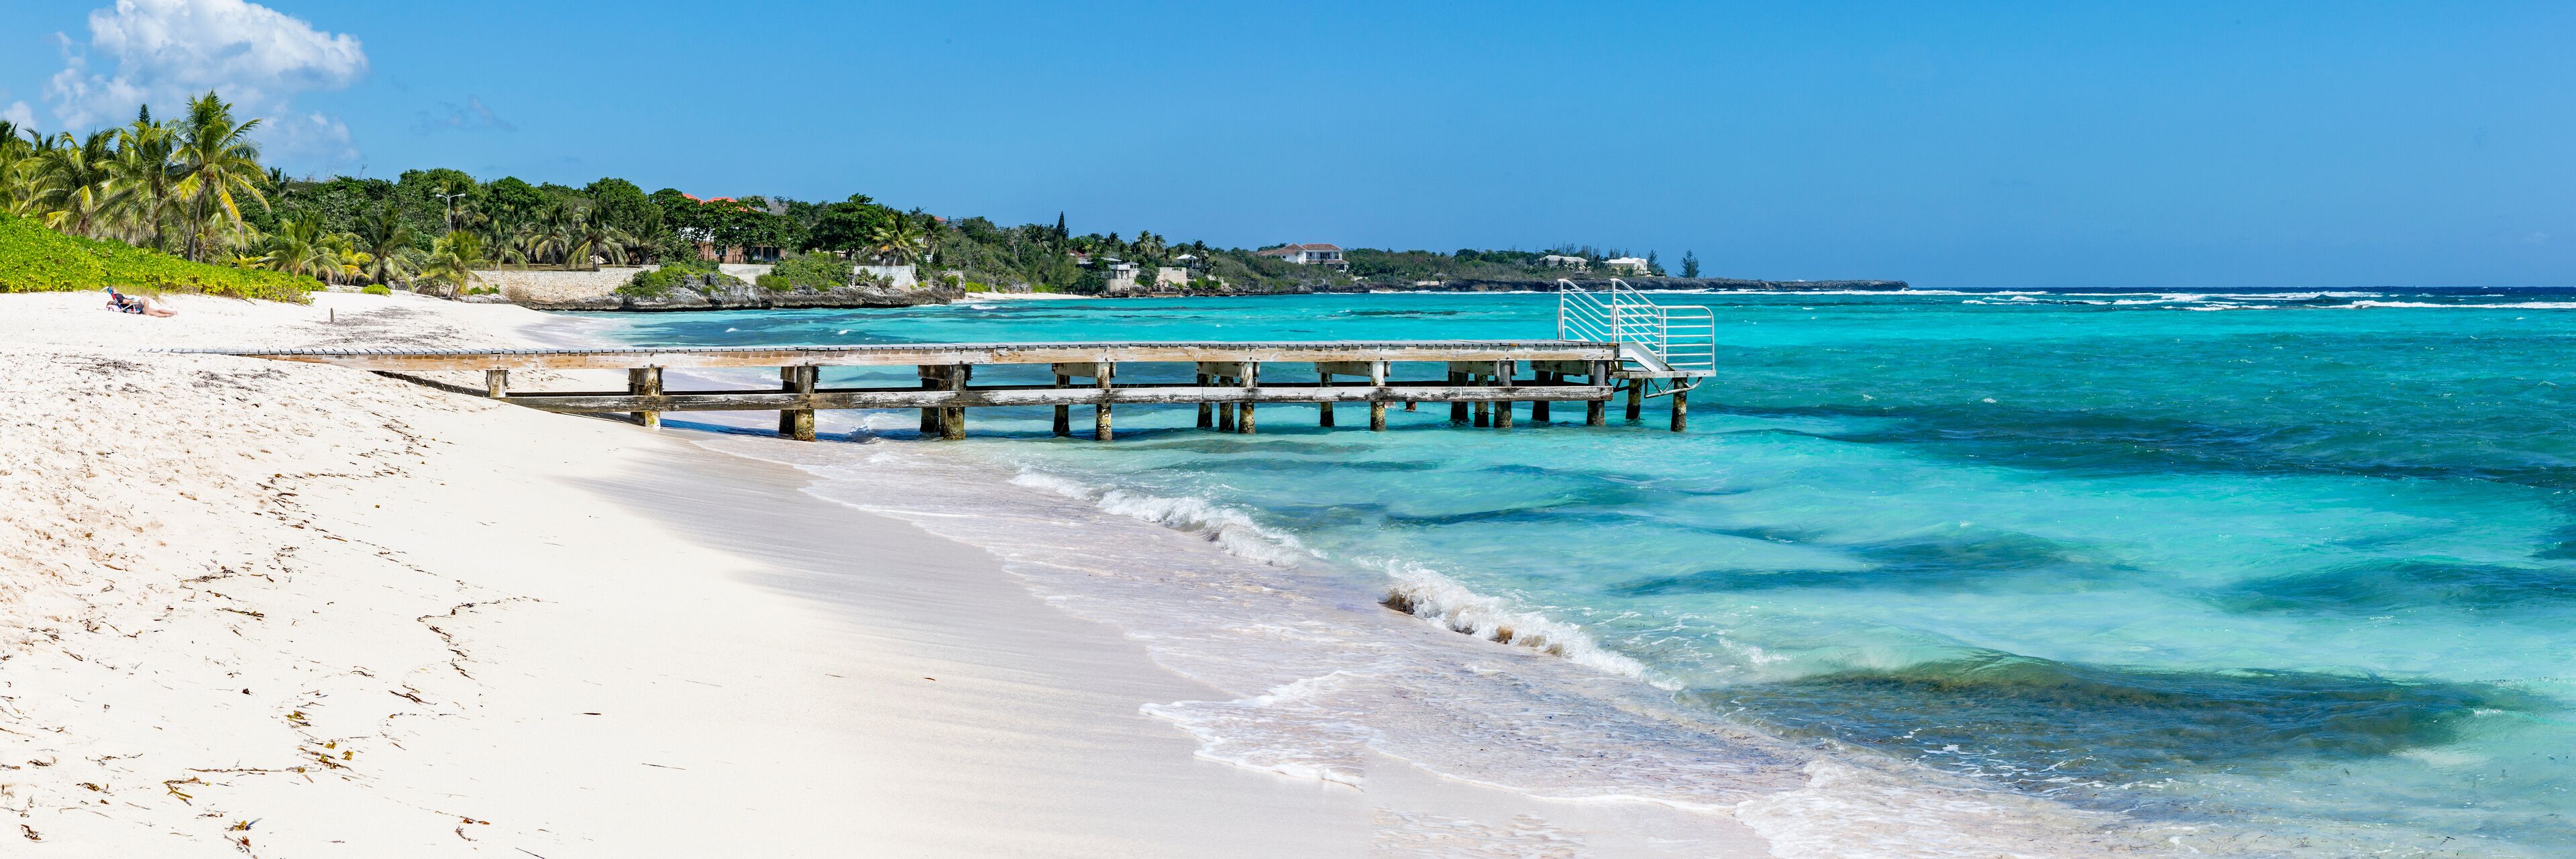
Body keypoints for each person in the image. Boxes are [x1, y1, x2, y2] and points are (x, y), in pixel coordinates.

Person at [103, 287, 177, 317]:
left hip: (133, 306)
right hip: (133, 306)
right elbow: (124, 301)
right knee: (146, 299)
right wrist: (131, 300)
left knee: (155, 311)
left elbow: (122, 302)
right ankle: (147, 314)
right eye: (115, 288)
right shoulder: (118, 296)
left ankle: (171, 313)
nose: (117, 289)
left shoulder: (116, 297)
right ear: (113, 290)